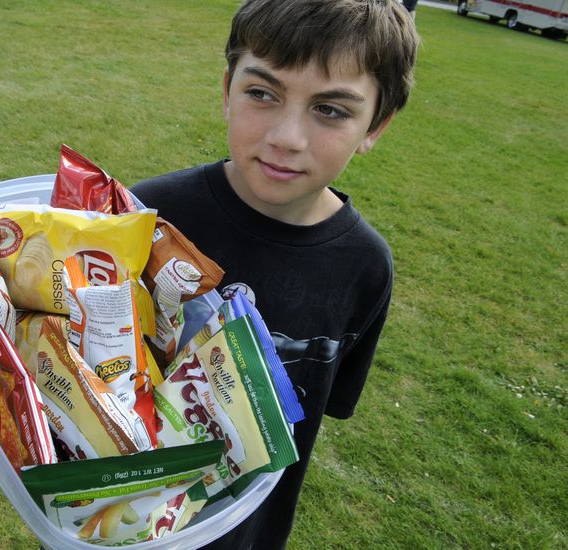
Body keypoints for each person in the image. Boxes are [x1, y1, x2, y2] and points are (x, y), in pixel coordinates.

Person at [131, 1, 419, 548]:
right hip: (109, 523)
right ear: (226, 90)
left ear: (375, 125)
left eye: (331, 110)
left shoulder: (365, 266)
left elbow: (319, 410)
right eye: (262, 93)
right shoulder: (145, 214)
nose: (287, 137)